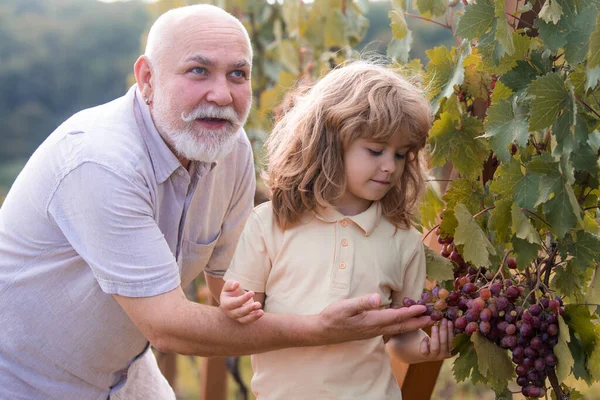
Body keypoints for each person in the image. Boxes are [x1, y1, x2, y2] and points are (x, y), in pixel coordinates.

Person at [0, 5, 434, 400]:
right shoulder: (100, 162)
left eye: (238, 75)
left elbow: (232, 290)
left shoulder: (230, 149)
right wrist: (319, 331)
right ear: (147, 78)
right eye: (198, 71)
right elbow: (168, 326)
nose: (222, 95)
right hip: (23, 380)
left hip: (123, 373)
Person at [220, 61, 455, 399]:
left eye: (401, 155)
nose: (390, 166)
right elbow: (245, 322)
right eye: (375, 150)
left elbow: (401, 341)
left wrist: (429, 348)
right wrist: (233, 306)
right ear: (328, 142)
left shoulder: (402, 241)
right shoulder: (271, 223)